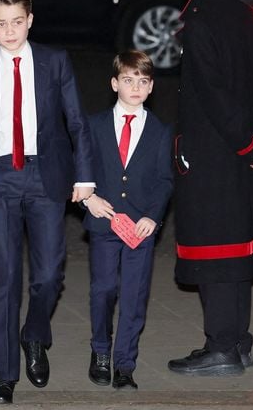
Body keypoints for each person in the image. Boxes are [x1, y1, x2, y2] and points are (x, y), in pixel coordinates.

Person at [0, 0, 94, 404]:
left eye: (17, 22)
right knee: (3, 281)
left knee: (49, 275)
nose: (10, 31)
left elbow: (76, 121)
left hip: (45, 176)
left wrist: (85, 175)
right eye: (1, 24)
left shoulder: (54, 62)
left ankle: (34, 333)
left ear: (30, 20)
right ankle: (4, 376)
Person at [168, 0, 253, 376]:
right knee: (239, 247)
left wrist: (246, 144)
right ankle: (239, 342)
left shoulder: (201, 21)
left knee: (215, 251)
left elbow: (215, 95)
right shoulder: (247, 15)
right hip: (245, 154)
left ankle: (222, 345)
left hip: (216, 154)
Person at [83, 50, 173, 390]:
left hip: (140, 228)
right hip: (104, 222)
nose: (135, 87)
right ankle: (101, 351)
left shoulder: (161, 131)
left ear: (150, 88)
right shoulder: (95, 125)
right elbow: (82, 169)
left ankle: (125, 363)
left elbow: (164, 180)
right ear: (114, 83)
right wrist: (88, 198)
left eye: (143, 81)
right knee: (103, 289)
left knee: (134, 295)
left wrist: (153, 215)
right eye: (128, 80)